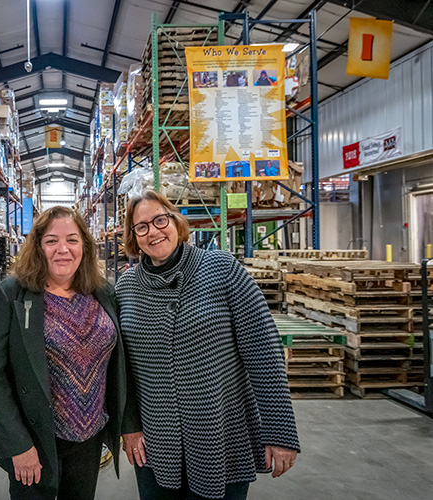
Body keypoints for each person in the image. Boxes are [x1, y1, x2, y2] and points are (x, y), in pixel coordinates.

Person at [116, 190, 300, 500]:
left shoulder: (222, 269)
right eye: (142, 226)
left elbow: (264, 351)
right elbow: (123, 369)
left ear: (176, 222)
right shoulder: (127, 287)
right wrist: (130, 427)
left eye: (160, 220)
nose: (154, 231)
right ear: (134, 238)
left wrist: (279, 431)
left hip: (221, 433)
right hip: (156, 441)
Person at [0, 206, 129, 500]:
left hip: (89, 439)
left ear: (85, 247)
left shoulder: (103, 292)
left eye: (72, 240)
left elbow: (118, 366)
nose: (63, 249)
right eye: (51, 241)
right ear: (38, 246)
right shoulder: (11, 294)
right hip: (35, 439)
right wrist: (17, 444)